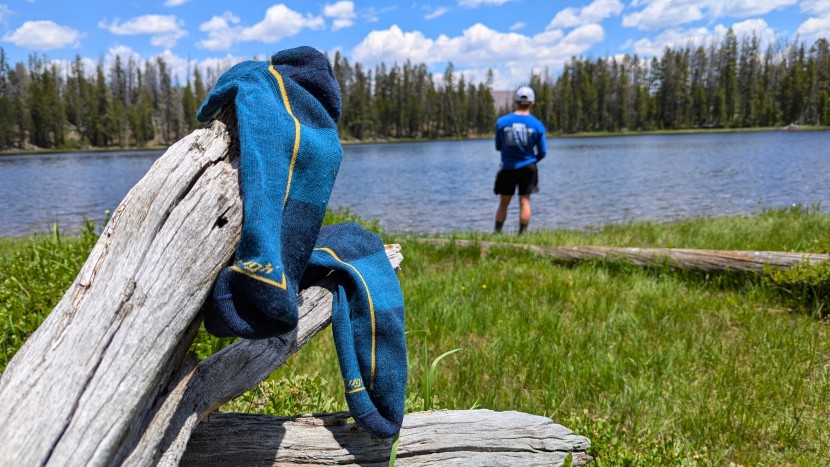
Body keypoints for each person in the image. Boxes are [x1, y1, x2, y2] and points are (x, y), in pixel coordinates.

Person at [493, 86, 547, 234]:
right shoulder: (537, 125)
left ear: (515, 101)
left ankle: (497, 234)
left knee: (504, 203)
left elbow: (498, 146)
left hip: (508, 167)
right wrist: (531, 160)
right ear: (532, 103)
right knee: (525, 201)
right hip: (528, 167)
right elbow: (542, 152)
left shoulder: (502, 122)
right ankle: (521, 235)